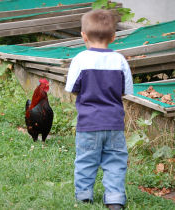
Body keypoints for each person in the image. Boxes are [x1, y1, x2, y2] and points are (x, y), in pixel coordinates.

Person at [65, 9, 133, 210]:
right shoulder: (120, 60)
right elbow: (126, 91)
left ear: (83, 36)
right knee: (115, 162)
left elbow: (72, 89)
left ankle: (84, 196)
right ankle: (114, 198)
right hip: (114, 124)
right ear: (113, 37)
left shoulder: (80, 60)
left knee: (86, 160)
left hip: (88, 123)